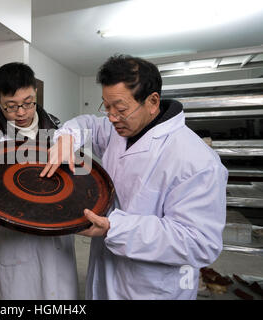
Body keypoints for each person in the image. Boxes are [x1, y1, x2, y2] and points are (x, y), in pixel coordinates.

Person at [40, 54, 228, 300]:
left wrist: (114, 228)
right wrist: (66, 138)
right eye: (106, 107)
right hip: (106, 270)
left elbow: (199, 242)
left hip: (150, 287)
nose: (111, 117)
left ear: (152, 101)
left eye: (120, 109)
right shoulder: (118, 129)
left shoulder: (196, 160)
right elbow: (87, 123)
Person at [0, 62, 79, 300]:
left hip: (56, 239)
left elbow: (74, 182)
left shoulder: (60, 134)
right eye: (11, 106)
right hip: (14, 244)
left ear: (36, 94)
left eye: (28, 103)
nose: (21, 112)